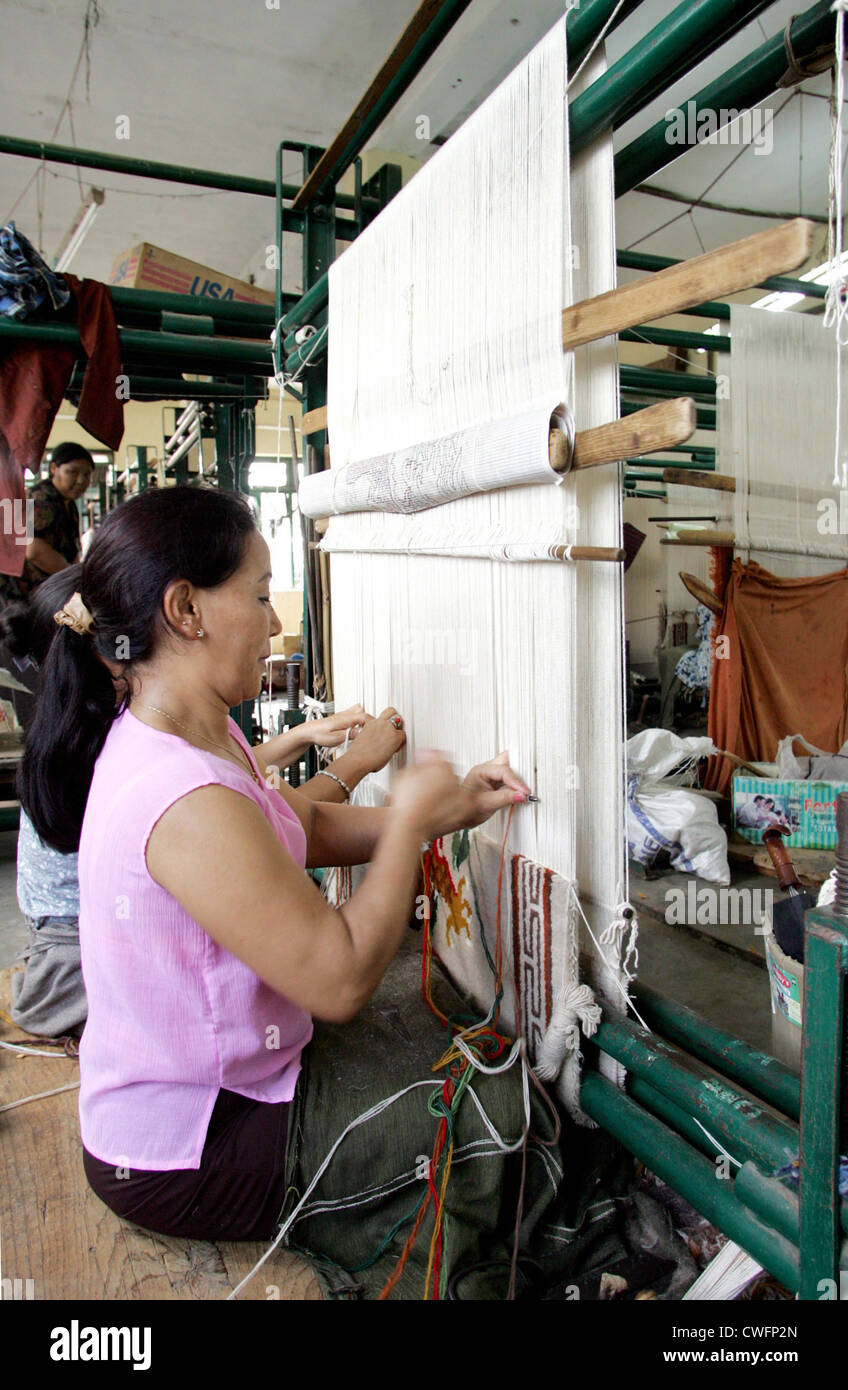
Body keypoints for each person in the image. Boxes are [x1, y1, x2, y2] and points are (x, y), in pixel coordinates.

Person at [20, 485, 531, 1274]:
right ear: (186, 610)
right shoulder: (178, 795)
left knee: (460, 1069)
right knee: (491, 1118)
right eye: (260, 596)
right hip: (184, 1150)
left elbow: (304, 826)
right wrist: (405, 819)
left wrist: (452, 810)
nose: (276, 623)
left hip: (214, 1093)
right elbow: (341, 976)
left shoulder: (201, 733)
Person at [4, 562, 403, 1038]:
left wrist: (298, 737)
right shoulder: (112, 751)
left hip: (81, 941)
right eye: (259, 599)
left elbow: (241, 797)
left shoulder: (97, 729)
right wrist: (363, 773)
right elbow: (261, 823)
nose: (274, 625)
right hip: (73, 966)